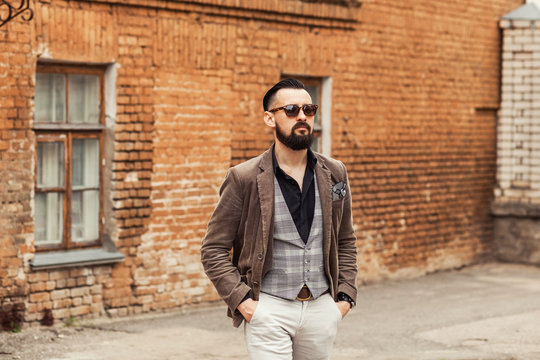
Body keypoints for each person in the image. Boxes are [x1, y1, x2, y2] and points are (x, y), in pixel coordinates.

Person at [201, 78, 358, 360]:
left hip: (321, 309)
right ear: (269, 118)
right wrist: (244, 303)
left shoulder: (335, 172)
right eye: (290, 109)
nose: (302, 116)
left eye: (309, 109)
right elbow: (213, 250)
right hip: (268, 308)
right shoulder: (244, 177)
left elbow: (345, 240)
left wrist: (345, 298)